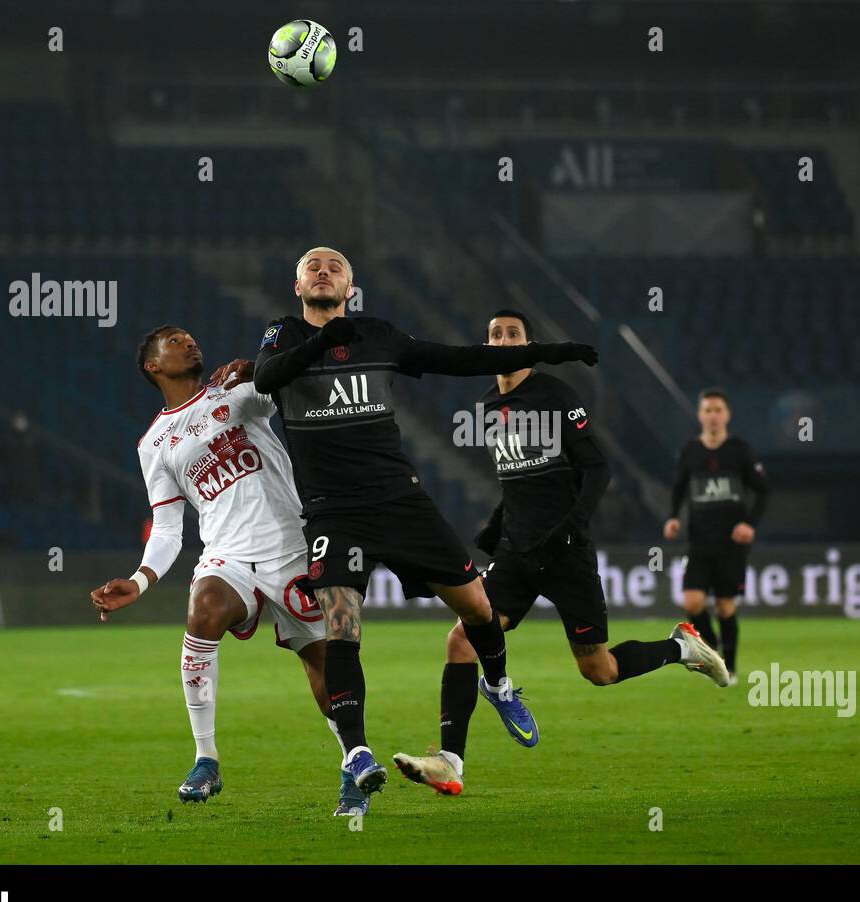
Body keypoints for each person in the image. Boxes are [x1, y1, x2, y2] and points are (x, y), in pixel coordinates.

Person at [237, 246, 597, 801]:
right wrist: (321, 342)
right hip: (335, 509)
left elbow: (458, 358)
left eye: (335, 267)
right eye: (314, 266)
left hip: (400, 500)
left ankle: (498, 685)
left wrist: (554, 352)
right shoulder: (282, 335)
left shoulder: (377, 335)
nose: (324, 272)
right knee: (341, 625)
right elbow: (266, 379)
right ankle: (356, 754)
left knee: (478, 608)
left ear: (351, 286)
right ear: (298, 285)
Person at [393, 310, 730, 796]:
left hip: (566, 553)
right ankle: (450, 761)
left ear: (530, 345)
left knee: (599, 670)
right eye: (495, 335)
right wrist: (495, 529)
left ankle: (682, 648)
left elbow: (597, 469)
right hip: (516, 553)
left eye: (513, 334)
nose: (504, 341)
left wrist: (572, 525)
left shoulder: (555, 394)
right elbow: (519, 482)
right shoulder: (487, 406)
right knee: (461, 641)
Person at [90, 326, 369, 817]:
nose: (190, 342)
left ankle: (352, 760)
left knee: (325, 675)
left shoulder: (238, 394)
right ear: (152, 365)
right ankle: (206, 758)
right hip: (228, 555)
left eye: (192, 337)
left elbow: (290, 382)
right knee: (204, 609)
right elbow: (169, 528)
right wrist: (138, 581)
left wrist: (258, 366)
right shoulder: (154, 444)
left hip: (293, 548)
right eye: (174, 341)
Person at [664, 389, 769, 679]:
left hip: (732, 544)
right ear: (700, 415)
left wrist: (750, 523)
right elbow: (679, 488)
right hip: (699, 542)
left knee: (725, 607)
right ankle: (714, 653)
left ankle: (730, 668)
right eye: (708, 410)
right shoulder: (690, 452)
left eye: (718, 410)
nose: (713, 416)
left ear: (727, 415)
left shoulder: (740, 451)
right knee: (692, 603)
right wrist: (673, 517)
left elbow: (762, 490)